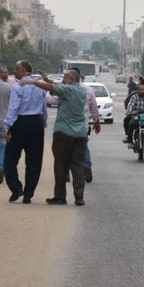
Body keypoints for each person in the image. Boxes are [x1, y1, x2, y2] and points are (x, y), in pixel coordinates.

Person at [23, 70, 98, 206]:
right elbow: (58, 85)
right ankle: (79, 197)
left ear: (71, 78)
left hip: (64, 132)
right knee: (78, 166)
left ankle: (60, 197)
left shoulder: (67, 90)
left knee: (60, 165)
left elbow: (51, 87)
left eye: (65, 77)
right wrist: (47, 79)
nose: (63, 79)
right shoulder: (82, 90)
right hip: (80, 133)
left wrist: (32, 81)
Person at [3, 60, 49, 203]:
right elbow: (43, 107)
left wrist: (7, 126)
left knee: (10, 159)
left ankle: (16, 188)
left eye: (16, 69)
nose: (14, 71)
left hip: (20, 122)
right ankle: (29, 193)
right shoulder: (39, 86)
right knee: (34, 160)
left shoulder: (18, 86)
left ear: (23, 70)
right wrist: (43, 122)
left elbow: (13, 107)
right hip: (36, 123)